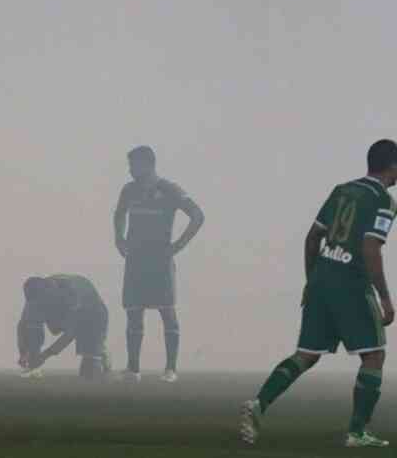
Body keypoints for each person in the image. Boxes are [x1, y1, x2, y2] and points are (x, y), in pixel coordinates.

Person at [240, 139, 397, 448]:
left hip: (322, 278)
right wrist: (385, 298)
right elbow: (370, 248)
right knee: (374, 355)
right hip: (352, 283)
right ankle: (357, 432)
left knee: (306, 355)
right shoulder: (384, 200)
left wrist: (311, 281)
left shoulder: (342, 190)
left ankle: (258, 404)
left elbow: (314, 237)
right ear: (392, 166)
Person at [113, 145, 204, 383]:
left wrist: (179, 245)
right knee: (133, 312)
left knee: (167, 311)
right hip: (134, 260)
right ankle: (133, 369)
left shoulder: (169, 189)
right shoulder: (129, 190)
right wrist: (118, 238)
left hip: (159, 261)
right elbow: (118, 214)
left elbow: (197, 215)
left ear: (147, 163)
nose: (130, 170)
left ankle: (170, 369)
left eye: (133, 165)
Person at [17, 274, 110, 380]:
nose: (37, 306)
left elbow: (71, 333)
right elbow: (23, 326)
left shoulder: (72, 293)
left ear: (50, 291)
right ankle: (33, 365)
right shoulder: (35, 295)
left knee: (89, 372)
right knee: (32, 326)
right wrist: (23, 352)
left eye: (41, 302)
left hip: (92, 317)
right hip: (61, 311)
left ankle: (99, 351)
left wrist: (45, 355)